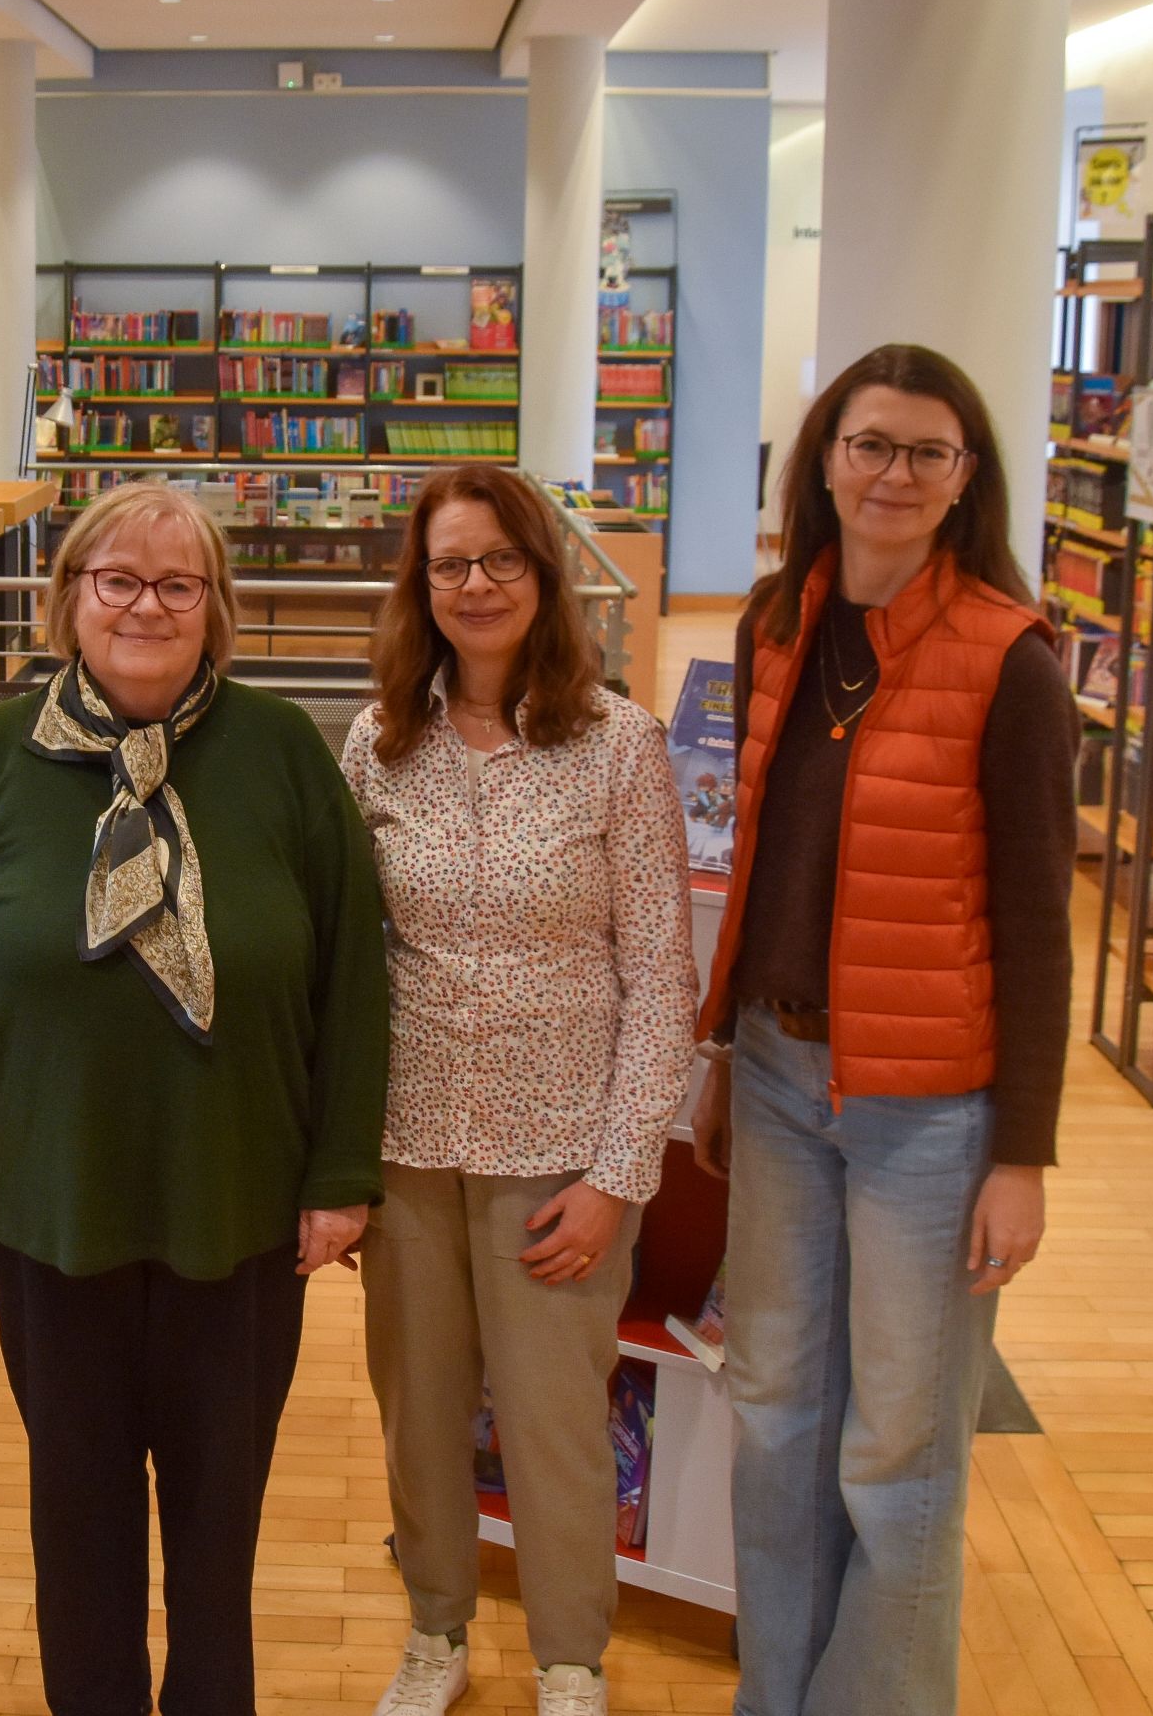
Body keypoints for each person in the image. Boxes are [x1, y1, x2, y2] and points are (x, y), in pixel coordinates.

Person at [0, 480, 391, 1716]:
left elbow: (351, 975)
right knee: (78, 1520)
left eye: (179, 584)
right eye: (115, 578)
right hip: (45, 1213)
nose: (145, 605)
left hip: (239, 1209)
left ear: (216, 612)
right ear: (68, 598)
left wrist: (341, 1177)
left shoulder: (281, 750)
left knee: (218, 1531)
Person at [688, 344, 1075, 1716]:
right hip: (785, 1077)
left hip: (932, 1107)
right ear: (823, 460)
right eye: (869, 444)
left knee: (899, 1445)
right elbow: (767, 859)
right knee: (774, 1416)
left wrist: (1019, 1153)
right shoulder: (773, 623)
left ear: (967, 477)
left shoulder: (1007, 661)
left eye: (927, 451)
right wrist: (729, 1058)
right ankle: (771, 1696)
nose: (893, 474)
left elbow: (1037, 924)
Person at [341, 465, 698, 1716]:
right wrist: (338, 1171)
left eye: (500, 560)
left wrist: (617, 1176)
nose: (475, 584)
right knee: (419, 1419)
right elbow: (345, 966)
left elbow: (661, 979)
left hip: (563, 1159)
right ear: (419, 587)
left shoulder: (618, 744)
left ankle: (568, 1662)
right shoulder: (378, 743)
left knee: (552, 1430)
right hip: (407, 1150)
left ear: (543, 578)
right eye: (449, 565)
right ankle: (435, 1631)